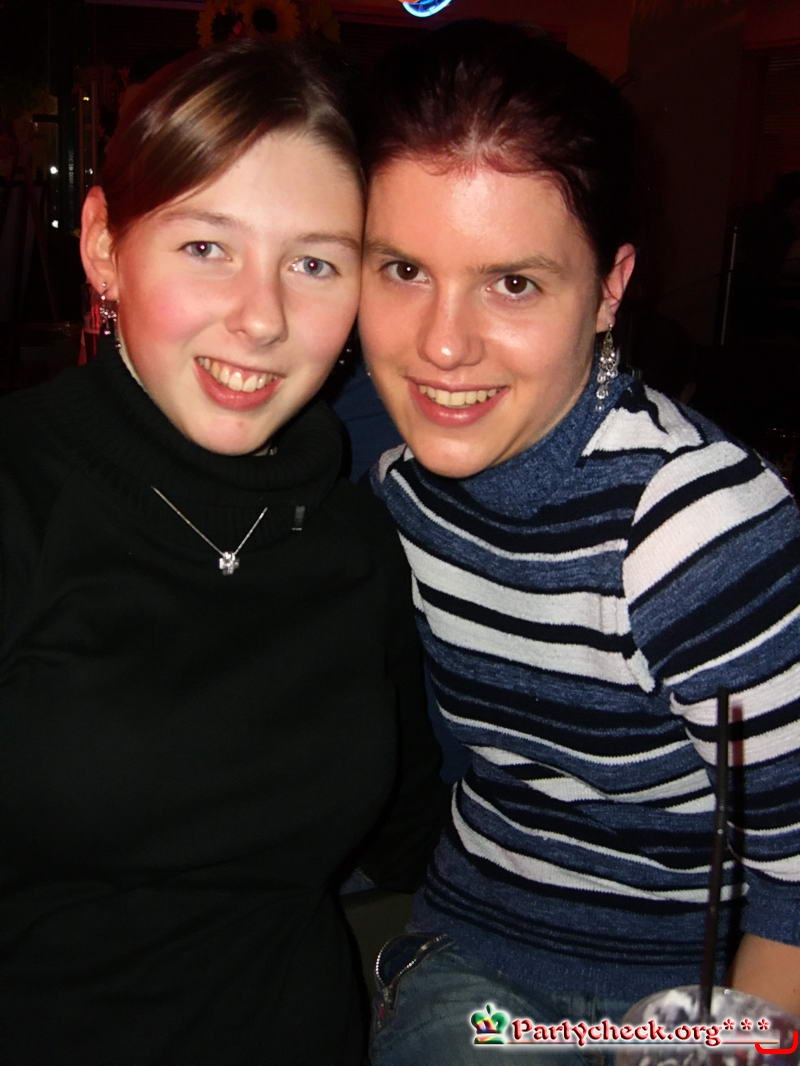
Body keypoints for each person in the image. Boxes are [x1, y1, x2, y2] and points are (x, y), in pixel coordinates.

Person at [356, 20, 800, 1064]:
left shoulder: (693, 534)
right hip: (476, 957)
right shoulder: (402, 486)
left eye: (513, 282)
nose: (442, 345)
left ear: (608, 288)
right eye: (404, 269)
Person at [0, 39, 442, 1066]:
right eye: (207, 246)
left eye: (314, 263)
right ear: (103, 247)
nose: (262, 318)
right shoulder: (20, 497)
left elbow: (422, 832)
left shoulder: (355, 539)